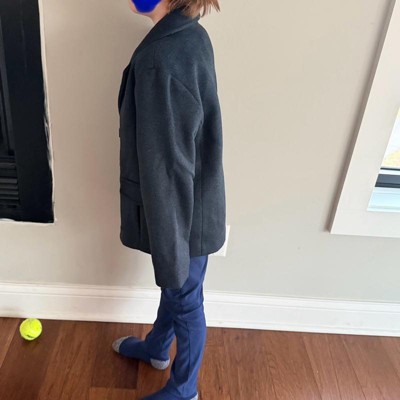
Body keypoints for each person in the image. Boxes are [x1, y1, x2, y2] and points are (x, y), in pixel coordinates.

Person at [112, 0, 226, 399]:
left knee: (185, 297)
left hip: (180, 211)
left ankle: (184, 389)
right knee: (177, 289)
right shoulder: (188, 33)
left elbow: (168, 165)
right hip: (192, 202)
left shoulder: (161, 59)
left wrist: (170, 239)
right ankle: (157, 348)